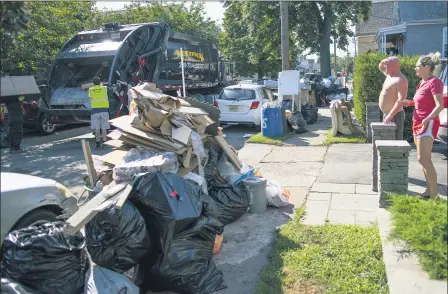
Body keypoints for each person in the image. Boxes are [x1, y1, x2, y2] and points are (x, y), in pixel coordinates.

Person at [398, 52, 444, 199]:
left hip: (427, 123)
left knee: (423, 158)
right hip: (417, 122)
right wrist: (410, 102)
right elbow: (423, 102)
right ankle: (428, 190)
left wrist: (428, 118)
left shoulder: (435, 82)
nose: (415, 69)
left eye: (417, 66)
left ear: (427, 67)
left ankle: (435, 194)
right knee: (424, 158)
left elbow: (440, 105)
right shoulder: (422, 83)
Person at [378, 56, 408, 140]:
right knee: (386, 140)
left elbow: (401, 100)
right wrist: (382, 62)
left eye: (387, 65)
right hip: (387, 114)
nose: (385, 67)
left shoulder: (400, 80)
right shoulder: (389, 75)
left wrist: (390, 115)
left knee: (396, 140)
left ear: (394, 66)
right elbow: (380, 68)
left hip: (395, 115)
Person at [88, 76, 110, 149]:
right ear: (100, 82)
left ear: (93, 83)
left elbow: (90, 97)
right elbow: (110, 93)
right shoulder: (104, 88)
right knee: (104, 128)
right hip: (104, 110)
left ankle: (98, 143)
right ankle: (104, 142)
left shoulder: (90, 90)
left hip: (95, 111)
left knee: (97, 128)